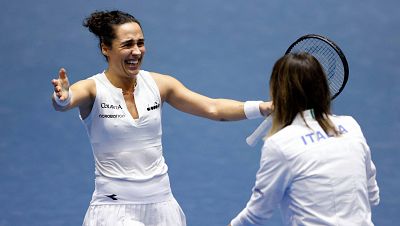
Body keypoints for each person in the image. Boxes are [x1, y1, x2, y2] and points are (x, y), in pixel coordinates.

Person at [51, 10, 272, 226]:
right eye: (127, 45)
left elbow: (213, 108)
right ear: (106, 48)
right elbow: (66, 102)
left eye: (140, 43)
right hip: (113, 209)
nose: (137, 51)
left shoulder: (160, 84)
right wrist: (62, 98)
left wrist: (262, 107)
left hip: (162, 207)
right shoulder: (92, 88)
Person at [229, 52, 380, 226]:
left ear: (278, 92)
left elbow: (255, 216)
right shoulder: (351, 125)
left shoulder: (280, 144)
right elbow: (372, 195)